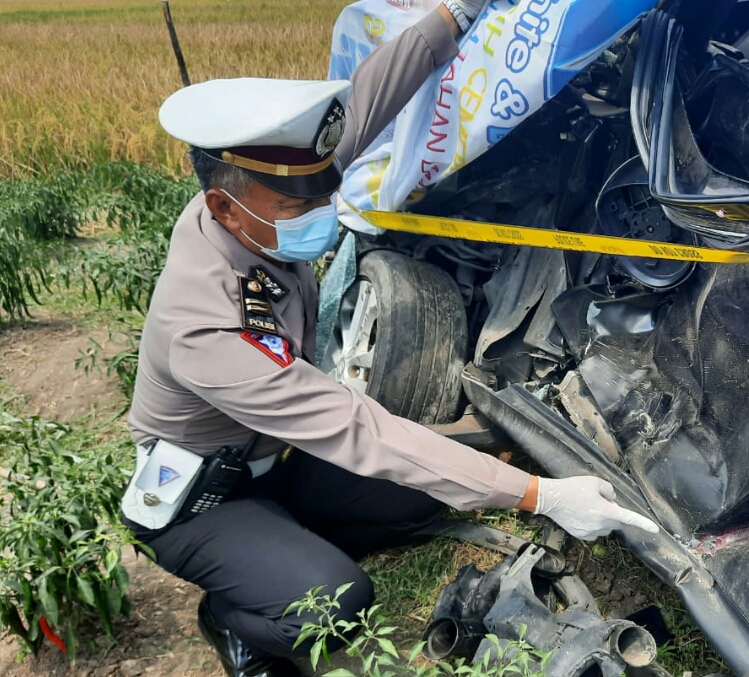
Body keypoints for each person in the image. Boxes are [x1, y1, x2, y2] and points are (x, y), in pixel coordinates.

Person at [120, 2, 659, 676]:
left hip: (278, 462)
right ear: (225, 208)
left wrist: (453, 15)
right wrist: (541, 495)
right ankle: (231, 617)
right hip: (205, 499)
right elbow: (357, 428)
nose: (323, 211)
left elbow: (370, 97)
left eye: (327, 193)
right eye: (301, 207)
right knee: (337, 601)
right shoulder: (204, 327)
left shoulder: (264, 194)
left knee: (423, 489)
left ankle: (283, 544)